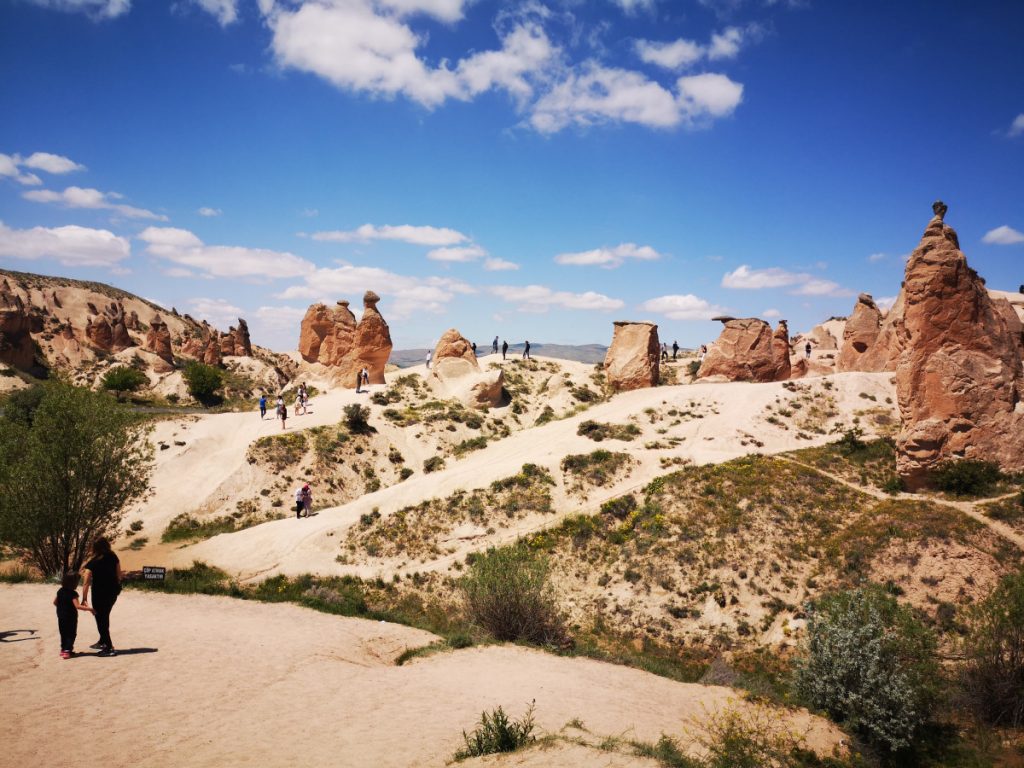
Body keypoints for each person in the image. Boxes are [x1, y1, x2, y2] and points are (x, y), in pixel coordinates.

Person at [81, 537, 122, 657]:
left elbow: (86, 582)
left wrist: (84, 598)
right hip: (112, 593)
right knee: (104, 616)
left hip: (99, 594)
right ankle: (102, 641)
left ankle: (109, 648)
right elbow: (119, 575)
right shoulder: (113, 557)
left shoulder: (93, 561)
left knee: (101, 619)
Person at [54, 571, 92, 659]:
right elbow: (77, 606)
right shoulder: (73, 594)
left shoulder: (60, 591)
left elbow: (55, 602)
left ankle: (63, 650)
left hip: (61, 616)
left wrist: (62, 607)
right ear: (73, 583)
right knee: (71, 634)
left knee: (63, 633)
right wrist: (90, 609)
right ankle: (67, 651)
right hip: (71, 617)